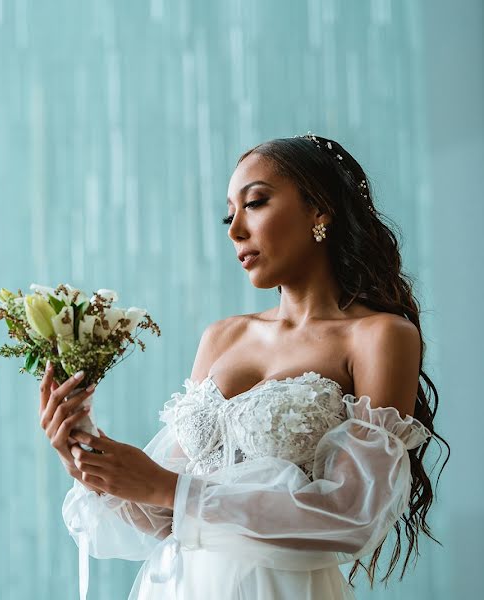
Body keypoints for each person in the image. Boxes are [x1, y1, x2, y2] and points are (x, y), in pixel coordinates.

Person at [37, 133, 449, 600]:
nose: (235, 230)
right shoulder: (222, 336)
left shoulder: (380, 336)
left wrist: (169, 488)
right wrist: (87, 453)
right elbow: (166, 520)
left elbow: (353, 514)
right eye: (228, 215)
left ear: (321, 210)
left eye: (255, 203)